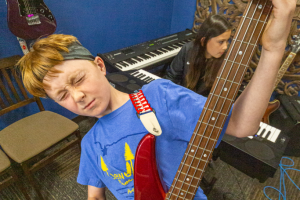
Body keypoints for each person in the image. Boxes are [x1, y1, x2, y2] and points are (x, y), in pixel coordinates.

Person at [17, 0, 296, 199]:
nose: (77, 96)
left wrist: (272, 50)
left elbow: (240, 125)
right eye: (62, 95)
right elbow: (95, 195)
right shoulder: (91, 143)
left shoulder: (159, 97)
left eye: (78, 79)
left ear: (100, 66)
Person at [164, 14, 232, 97]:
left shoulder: (227, 60)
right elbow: (171, 78)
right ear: (204, 41)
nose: (225, 47)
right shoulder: (188, 49)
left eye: (227, 41)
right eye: (221, 42)